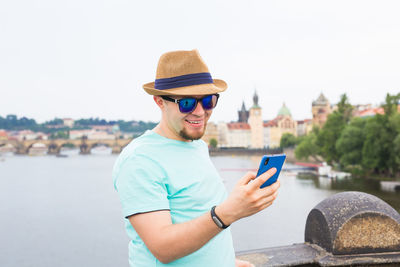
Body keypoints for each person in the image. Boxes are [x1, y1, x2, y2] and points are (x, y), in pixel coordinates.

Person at [112, 49, 280, 267]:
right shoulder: (139, 160)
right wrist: (227, 213)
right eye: (187, 103)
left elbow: (196, 217)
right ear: (159, 102)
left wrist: (226, 260)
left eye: (208, 101)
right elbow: (163, 247)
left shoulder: (196, 145)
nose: (200, 112)